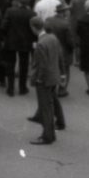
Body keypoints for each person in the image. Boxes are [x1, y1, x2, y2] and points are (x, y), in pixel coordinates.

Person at [28, 16, 66, 145]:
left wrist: (38, 79)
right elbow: (60, 56)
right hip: (53, 77)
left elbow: (41, 65)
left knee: (46, 108)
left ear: (33, 28)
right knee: (50, 103)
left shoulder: (41, 44)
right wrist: (62, 73)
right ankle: (53, 130)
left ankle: (47, 136)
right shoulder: (53, 38)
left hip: (44, 80)